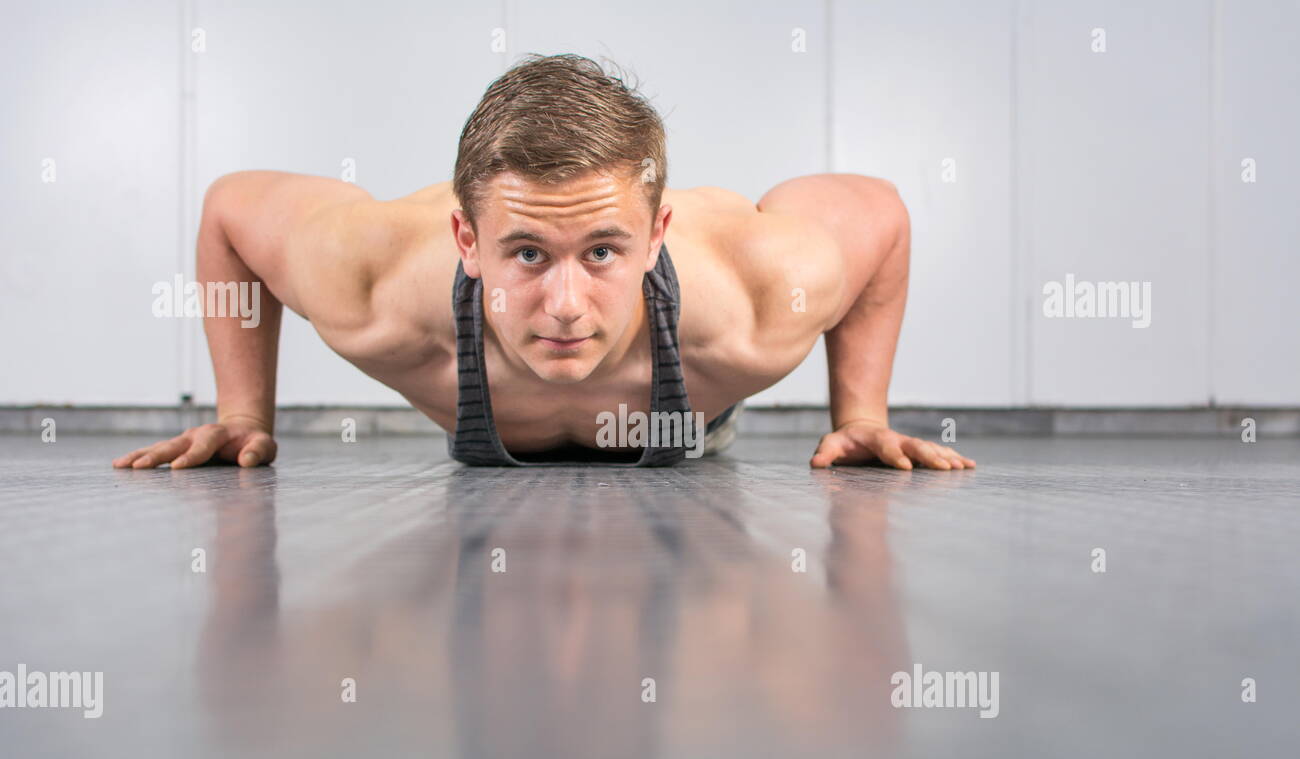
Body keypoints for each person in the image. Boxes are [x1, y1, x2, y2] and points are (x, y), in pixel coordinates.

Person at [113, 53, 974, 472]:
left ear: (658, 235)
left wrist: (861, 412)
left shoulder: (756, 298)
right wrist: (240, 411)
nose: (566, 304)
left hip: (693, 402)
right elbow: (230, 209)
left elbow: (883, 216)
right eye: (527, 253)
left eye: (602, 251)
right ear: (466, 244)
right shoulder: (370, 284)